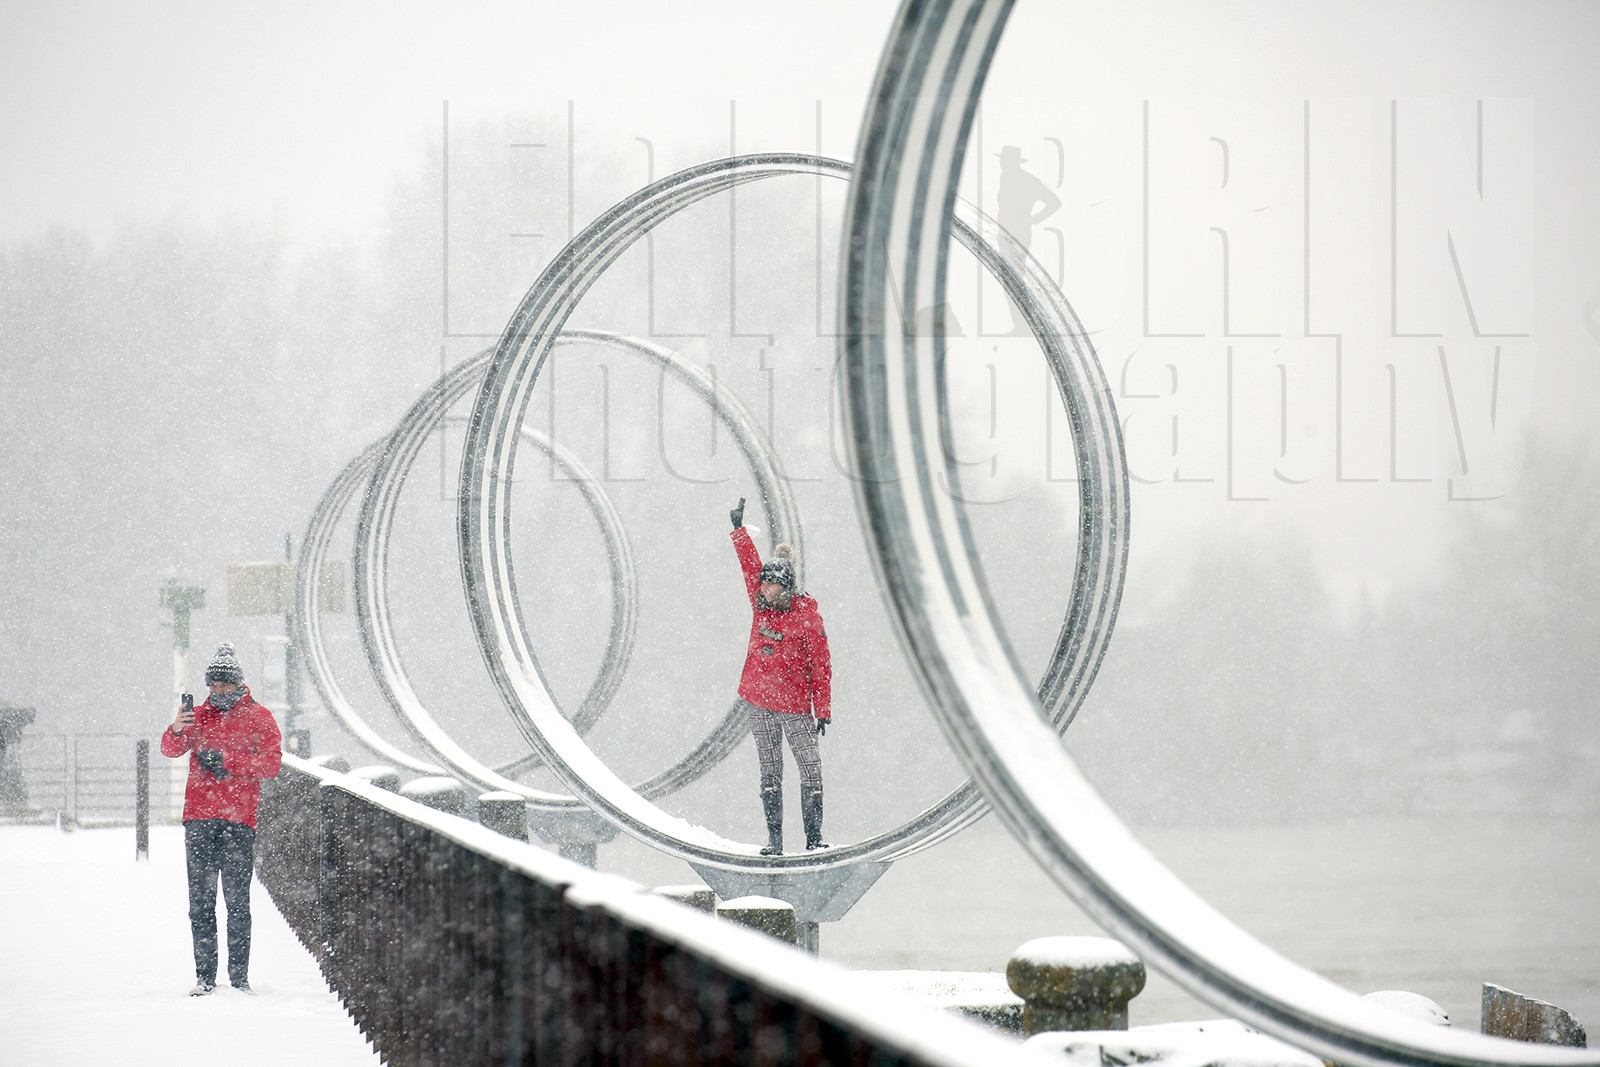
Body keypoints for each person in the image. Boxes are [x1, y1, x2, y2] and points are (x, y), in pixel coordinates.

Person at [160, 642, 282, 996]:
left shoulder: (259, 717)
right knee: (200, 902)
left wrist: (228, 760)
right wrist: (178, 729)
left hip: (238, 819)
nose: (217, 692)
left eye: (224, 686)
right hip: (198, 817)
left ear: (238, 683)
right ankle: (205, 977)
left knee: (236, 902)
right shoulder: (197, 715)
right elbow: (170, 749)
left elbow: (272, 764)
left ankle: (239, 978)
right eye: (213, 686)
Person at [728, 497, 832, 854]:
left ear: (784, 588)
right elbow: (750, 568)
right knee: (769, 771)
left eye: (769, 586)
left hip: (795, 707)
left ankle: (814, 840)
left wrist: (823, 708)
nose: (762, 589)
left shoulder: (806, 619)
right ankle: (775, 841)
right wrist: (739, 531)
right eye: (762, 585)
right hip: (760, 703)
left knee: (810, 770)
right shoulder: (761, 609)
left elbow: (821, 666)